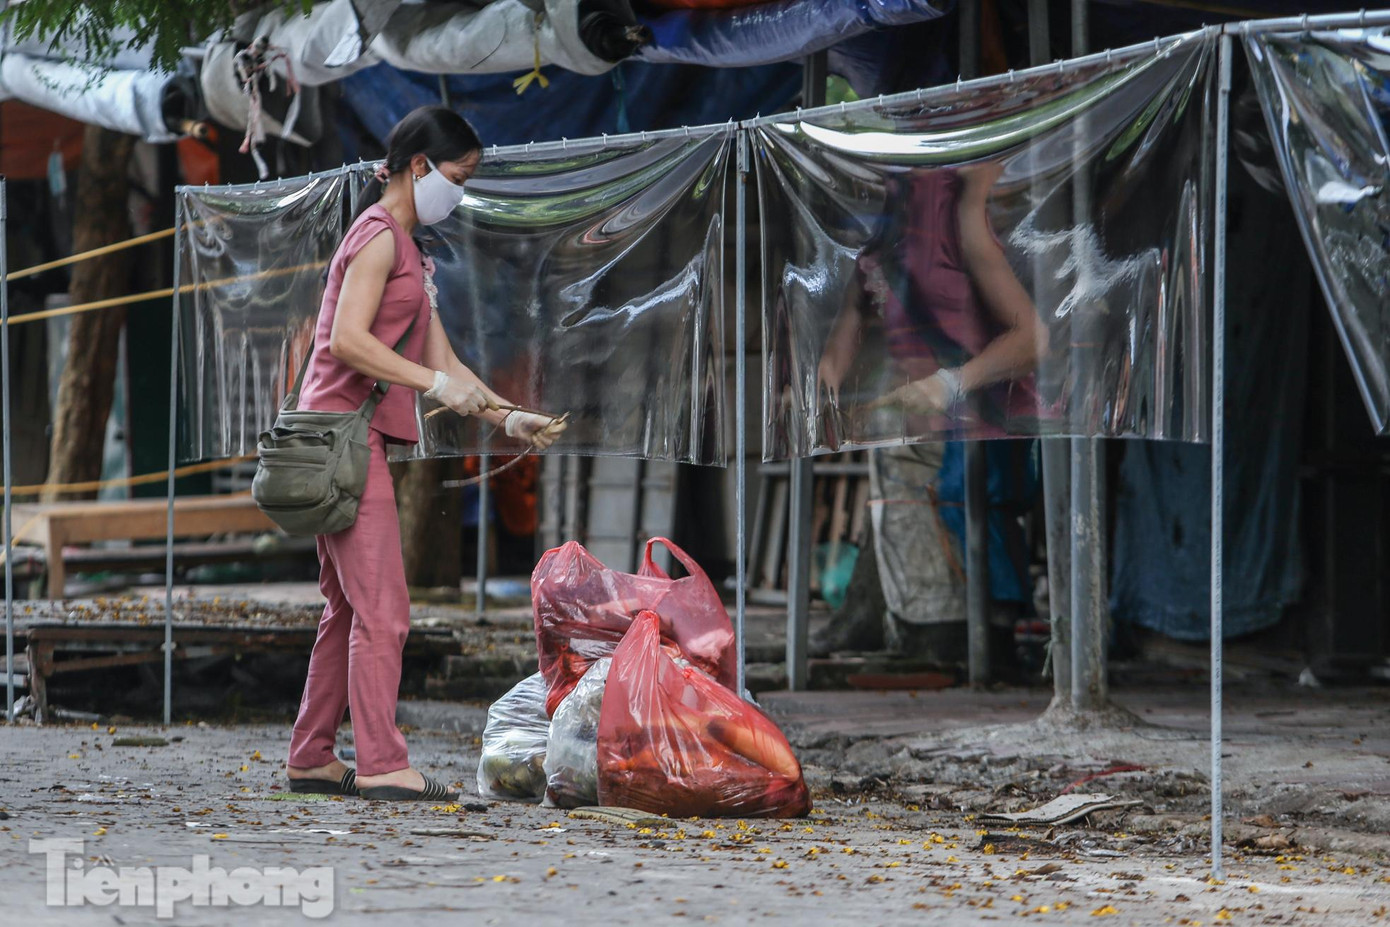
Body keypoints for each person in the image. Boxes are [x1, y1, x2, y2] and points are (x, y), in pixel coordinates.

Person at [284, 106, 566, 802]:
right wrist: (430, 383)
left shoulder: (409, 250)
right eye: (457, 177)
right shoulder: (378, 236)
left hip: (348, 436)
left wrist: (509, 416)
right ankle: (381, 761)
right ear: (419, 168)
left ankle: (313, 754)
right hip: (342, 440)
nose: (460, 192)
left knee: (348, 609)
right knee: (384, 609)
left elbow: (447, 363)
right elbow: (347, 340)